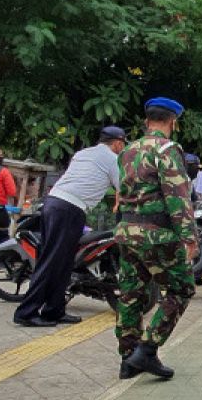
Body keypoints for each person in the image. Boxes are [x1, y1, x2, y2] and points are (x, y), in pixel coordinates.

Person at [115, 98, 198, 379]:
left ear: (146, 120)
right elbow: (177, 195)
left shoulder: (127, 150)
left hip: (127, 231)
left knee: (131, 293)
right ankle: (147, 351)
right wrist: (189, 236)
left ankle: (128, 359)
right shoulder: (167, 149)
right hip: (157, 234)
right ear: (172, 121)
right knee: (181, 289)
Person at [13, 126, 126, 327]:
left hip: (56, 204)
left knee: (64, 263)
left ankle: (54, 310)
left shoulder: (84, 153)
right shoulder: (112, 159)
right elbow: (123, 188)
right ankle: (26, 312)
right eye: (123, 144)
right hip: (68, 208)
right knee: (52, 261)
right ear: (117, 143)